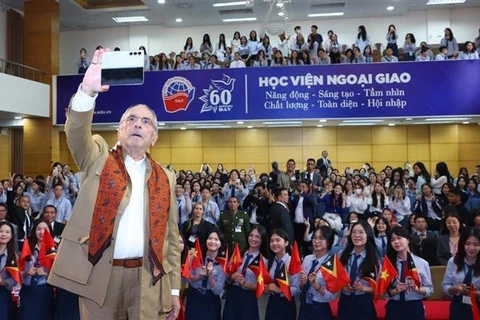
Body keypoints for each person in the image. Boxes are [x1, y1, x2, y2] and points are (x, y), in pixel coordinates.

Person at [48, 48, 181, 320]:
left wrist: (175, 291)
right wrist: (87, 90)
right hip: (101, 277)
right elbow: (75, 133)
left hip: (148, 279)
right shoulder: (97, 156)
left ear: (154, 137)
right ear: (119, 130)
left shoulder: (165, 178)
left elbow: (171, 240)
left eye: (146, 122)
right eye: (130, 119)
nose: (137, 125)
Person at [385, 226, 433, 320]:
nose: (396, 242)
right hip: (394, 307)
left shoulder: (422, 263)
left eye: (399, 238)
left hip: (414, 307)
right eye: (392, 240)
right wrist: (395, 290)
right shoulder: (388, 264)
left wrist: (416, 288)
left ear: (407, 240)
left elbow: (429, 290)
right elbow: (385, 291)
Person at [223, 225, 268, 320]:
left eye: (257, 237)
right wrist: (232, 277)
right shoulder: (238, 254)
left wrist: (245, 284)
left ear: (262, 240)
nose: (253, 239)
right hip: (233, 295)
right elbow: (226, 276)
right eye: (251, 235)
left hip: (249, 297)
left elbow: (262, 286)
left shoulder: (263, 261)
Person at [338, 220, 379, 320]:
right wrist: (342, 286)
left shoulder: (373, 257)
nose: (357, 235)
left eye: (361, 232)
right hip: (345, 301)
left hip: (363, 302)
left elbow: (378, 286)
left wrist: (363, 288)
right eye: (354, 232)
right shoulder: (342, 254)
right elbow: (336, 277)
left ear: (368, 234)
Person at [184, 230, 227, 320]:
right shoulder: (195, 256)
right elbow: (185, 278)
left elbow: (217, 291)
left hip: (211, 301)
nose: (212, 241)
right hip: (194, 298)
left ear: (221, 243)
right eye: (210, 238)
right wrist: (199, 276)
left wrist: (210, 276)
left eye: (216, 239)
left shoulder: (223, 264)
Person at [19, 220, 55, 320]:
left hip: (45, 292)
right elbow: (19, 273)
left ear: (50, 231)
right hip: (28, 292)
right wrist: (27, 273)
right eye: (39, 229)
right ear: (34, 231)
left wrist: (45, 274)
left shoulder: (54, 251)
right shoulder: (27, 248)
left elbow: (58, 277)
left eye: (45, 229)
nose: (41, 232)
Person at [298, 226, 336, 320]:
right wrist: (302, 284)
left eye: (321, 238)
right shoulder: (307, 259)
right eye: (314, 237)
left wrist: (316, 286)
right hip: (304, 306)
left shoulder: (332, 264)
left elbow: (331, 296)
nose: (316, 241)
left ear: (328, 242)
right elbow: (301, 287)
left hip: (320, 309)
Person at [442, 227, 480, 319]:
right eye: (467, 244)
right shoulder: (453, 261)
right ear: (462, 244)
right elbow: (445, 286)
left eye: (476, 245)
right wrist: (455, 289)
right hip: (458, 306)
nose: (471, 248)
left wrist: (477, 294)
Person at [265, 229, 300, 320]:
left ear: (286, 243)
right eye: (272, 241)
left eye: (278, 240)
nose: (274, 243)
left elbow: (296, 289)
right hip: (272, 303)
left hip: (286, 304)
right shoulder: (270, 262)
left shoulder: (292, 262)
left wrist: (279, 290)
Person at [0, 221, 20, 320]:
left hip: (2, 294)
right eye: (1, 231)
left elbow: (16, 278)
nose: (4, 234)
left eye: (7, 232)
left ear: (11, 236)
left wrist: (3, 282)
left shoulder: (13, 255)